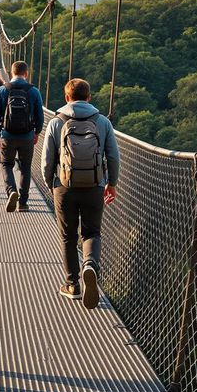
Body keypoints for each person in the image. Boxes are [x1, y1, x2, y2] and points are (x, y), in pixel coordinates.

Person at [41, 78, 120, 309]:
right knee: (92, 231)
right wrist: (111, 183)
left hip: (64, 186)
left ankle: (72, 285)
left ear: (67, 98)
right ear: (89, 97)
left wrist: (51, 184)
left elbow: (47, 160)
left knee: (68, 236)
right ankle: (90, 264)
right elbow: (113, 156)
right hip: (95, 185)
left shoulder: (57, 122)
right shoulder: (103, 122)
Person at [0, 60, 44, 212]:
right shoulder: (34, 91)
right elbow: (40, 116)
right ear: (26, 74)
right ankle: (24, 203)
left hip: (7, 134)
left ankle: (11, 191)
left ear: (11, 72)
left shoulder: (2, 90)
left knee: (6, 165)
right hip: (27, 136)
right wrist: (37, 132)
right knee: (25, 168)